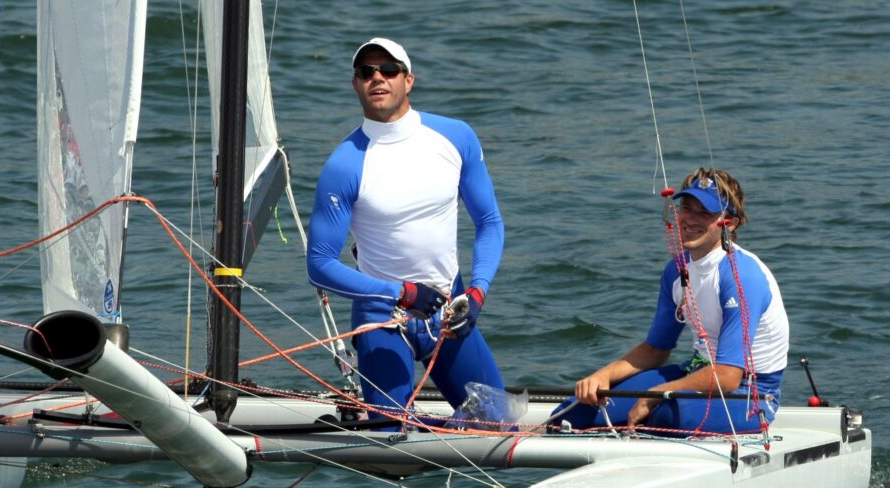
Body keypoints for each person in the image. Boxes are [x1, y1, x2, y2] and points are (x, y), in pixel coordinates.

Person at [306, 38, 506, 420]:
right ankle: (410, 423)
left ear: (408, 80)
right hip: (381, 317)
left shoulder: (456, 137)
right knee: (393, 436)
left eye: (389, 70)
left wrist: (478, 292)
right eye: (366, 72)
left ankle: (444, 429)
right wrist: (400, 292)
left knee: (500, 425)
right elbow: (319, 264)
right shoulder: (344, 164)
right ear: (355, 85)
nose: (377, 78)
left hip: (450, 311)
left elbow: (490, 223)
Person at [553, 168, 789, 434]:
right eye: (687, 208)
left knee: (664, 414)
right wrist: (603, 376)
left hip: (751, 394)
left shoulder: (741, 276)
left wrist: (659, 392)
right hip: (697, 372)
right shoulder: (676, 270)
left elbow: (728, 376)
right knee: (574, 412)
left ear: (729, 223)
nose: (690, 219)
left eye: (705, 212)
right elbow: (656, 349)